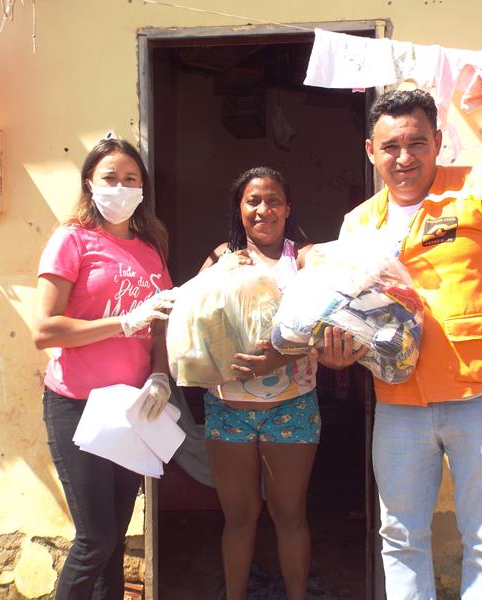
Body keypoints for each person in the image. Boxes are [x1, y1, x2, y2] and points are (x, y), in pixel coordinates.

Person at [318, 89, 482, 600]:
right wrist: (333, 355)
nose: (404, 157)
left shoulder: (480, 189)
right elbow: (344, 313)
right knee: (400, 537)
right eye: (391, 146)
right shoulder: (358, 224)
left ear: (438, 141)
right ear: (371, 151)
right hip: (399, 409)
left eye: (417, 142)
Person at [31, 136, 174, 600]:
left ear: (143, 188)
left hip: (129, 411)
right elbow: (45, 330)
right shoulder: (71, 239)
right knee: (94, 540)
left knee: (113, 541)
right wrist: (120, 322)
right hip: (77, 405)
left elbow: (160, 328)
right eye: (110, 177)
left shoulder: (151, 248)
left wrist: (159, 375)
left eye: (131, 179)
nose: (121, 186)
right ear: (90, 183)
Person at [199, 166, 319, 600]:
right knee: (240, 517)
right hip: (227, 409)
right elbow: (193, 320)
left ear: (288, 209)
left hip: (293, 407)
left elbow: (324, 326)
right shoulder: (218, 258)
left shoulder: (304, 259)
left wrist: (276, 357)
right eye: (253, 200)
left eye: (272, 200)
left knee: (290, 515)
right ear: (240, 208)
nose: (262, 209)